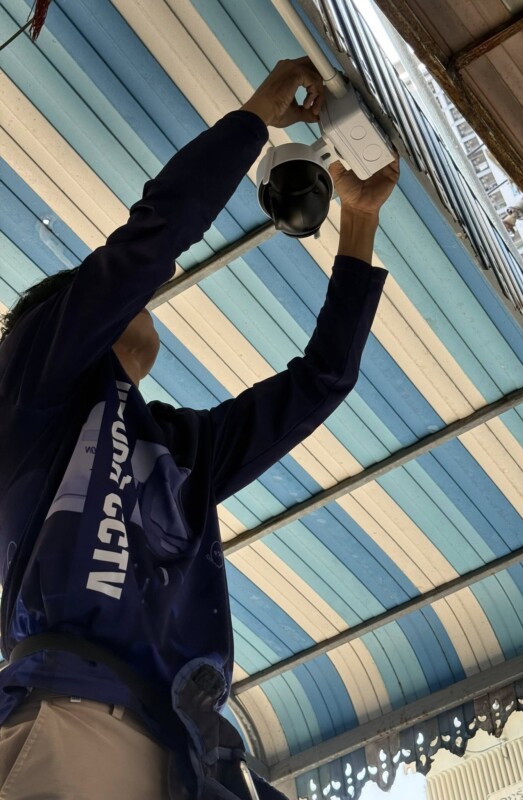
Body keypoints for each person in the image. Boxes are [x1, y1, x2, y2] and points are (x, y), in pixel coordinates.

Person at [0, 57, 398, 799]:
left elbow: (320, 384)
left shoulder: (177, 451)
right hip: (76, 724)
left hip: (175, 753)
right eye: (122, 294)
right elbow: (146, 246)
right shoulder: (33, 385)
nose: (150, 292)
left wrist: (360, 221)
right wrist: (252, 120)